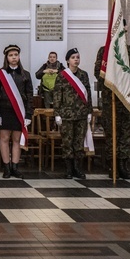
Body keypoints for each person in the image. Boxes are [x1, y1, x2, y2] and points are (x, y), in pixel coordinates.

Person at [94, 28, 130, 179]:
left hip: (128, 100)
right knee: (112, 134)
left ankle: (123, 164)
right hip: (111, 101)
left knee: (125, 135)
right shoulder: (104, 51)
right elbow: (98, 72)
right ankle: (112, 165)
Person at [0, 44, 33, 179]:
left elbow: (29, 95)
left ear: (19, 56)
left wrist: (28, 114)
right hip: (4, 110)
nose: (14, 57)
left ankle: (15, 166)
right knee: (4, 139)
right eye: (11, 55)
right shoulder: (0, 74)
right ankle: (6, 167)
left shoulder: (25, 75)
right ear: (6, 57)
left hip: (19, 111)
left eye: (16, 55)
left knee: (16, 139)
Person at [53, 48, 92, 180]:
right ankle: (68, 168)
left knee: (79, 142)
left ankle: (77, 168)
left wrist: (89, 111)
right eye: (73, 57)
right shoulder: (62, 76)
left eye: (78, 57)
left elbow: (88, 94)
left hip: (81, 114)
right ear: (68, 60)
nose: (76, 59)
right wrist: (57, 113)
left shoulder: (84, 75)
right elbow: (57, 95)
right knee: (67, 142)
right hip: (67, 115)